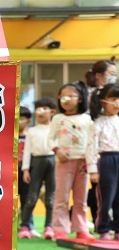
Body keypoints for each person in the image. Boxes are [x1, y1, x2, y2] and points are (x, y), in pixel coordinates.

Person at [49, 82, 97, 240]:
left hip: (83, 163)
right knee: (61, 197)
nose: (66, 99)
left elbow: (91, 142)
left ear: (80, 99)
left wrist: (91, 162)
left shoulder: (87, 119)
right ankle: (60, 229)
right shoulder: (58, 118)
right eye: (62, 96)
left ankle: (81, 228)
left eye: (71, 96)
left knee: (81, 198)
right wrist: (57, 150)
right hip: (63, 162)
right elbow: (50, 139)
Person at [18, 97, 58, 240]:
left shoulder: (56, 129)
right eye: (38, 109)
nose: (41, 112)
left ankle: (49, 226)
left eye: (45, 108)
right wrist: (25, 169)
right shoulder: (32, 131)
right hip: (37, 162)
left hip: (53, 160)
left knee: (50, 197)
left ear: (52, 112)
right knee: (31, 196)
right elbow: (27, 151)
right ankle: (25, 226)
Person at [84, 59, 116, 224]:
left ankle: (113, 225)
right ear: (98, 75)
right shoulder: (89, 95)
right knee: (101, 190)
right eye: (111, 74)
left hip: (113, 149)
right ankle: (101, 222)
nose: (114, 77)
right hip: (96, 150)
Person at [88, 83, 119, 240]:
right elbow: (91, 147)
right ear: (103, 102)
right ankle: (103, 228)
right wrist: (93, 169)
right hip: (106, 160)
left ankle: (118, 228)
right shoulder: (97, 123)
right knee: (106, 196)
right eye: (113, 99)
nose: (117, 103)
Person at [17, 106, 39, 237]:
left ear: (28, 121)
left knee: (27, 200)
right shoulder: (8, 137)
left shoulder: (31, 136)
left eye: (22, 119)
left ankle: (28, 226)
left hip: (27, 173)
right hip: (12, 173)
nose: (19, 121)